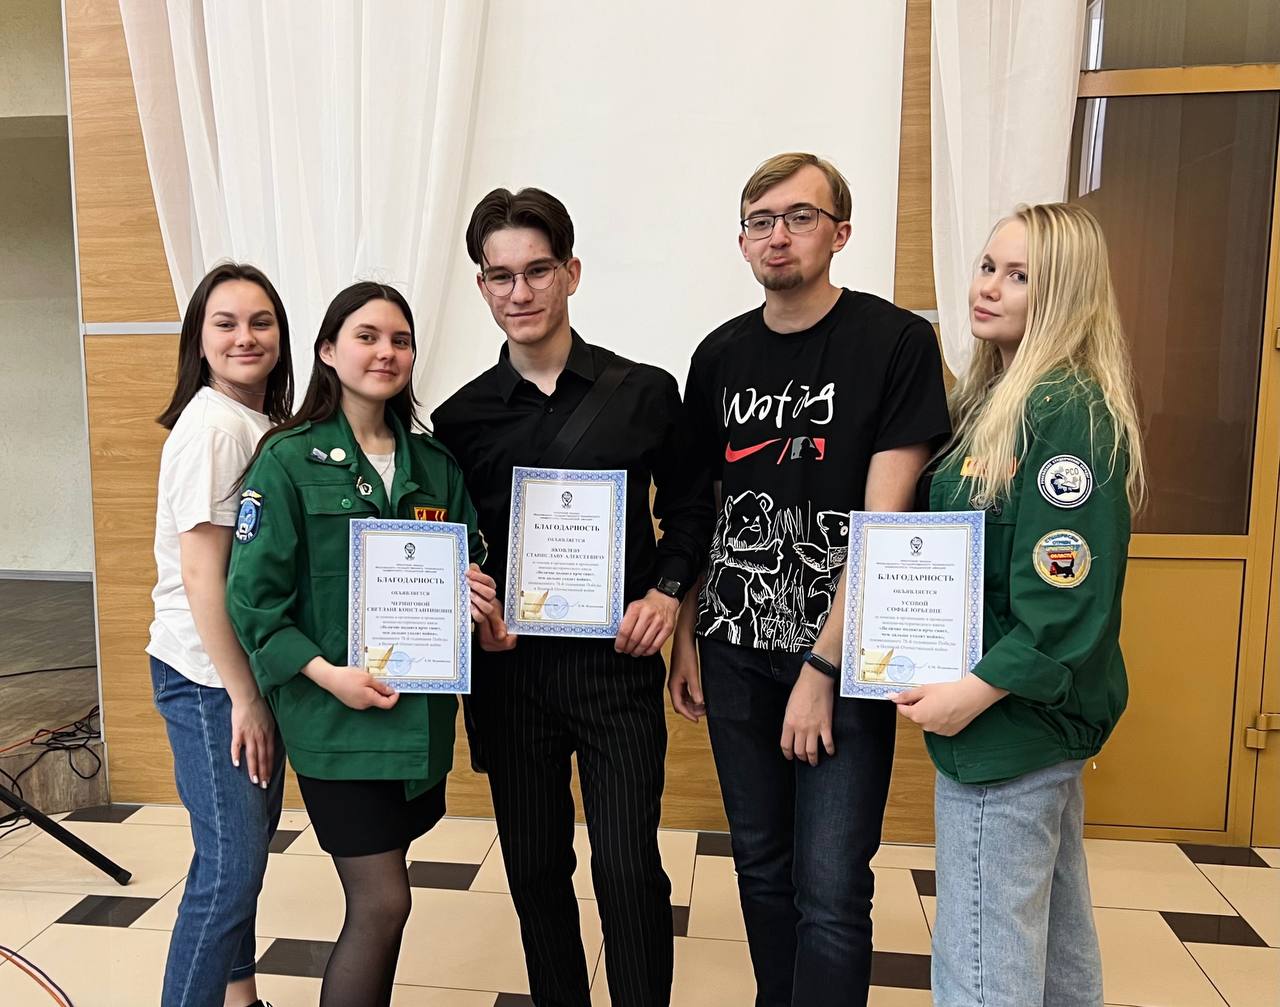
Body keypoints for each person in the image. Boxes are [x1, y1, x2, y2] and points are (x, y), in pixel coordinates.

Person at [670, 152, 951, 1006]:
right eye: (760, 220)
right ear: (742, 240)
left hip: (842, 657)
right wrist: (685, 637)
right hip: (732, 647)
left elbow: (883, 527)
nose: (778, 235)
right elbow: (700, 508)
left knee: (830, 886)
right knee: (760, 864)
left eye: (799, 217)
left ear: (841, 232)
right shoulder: (719, 354)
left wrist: (821, 669)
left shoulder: (894, 343)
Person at [431, 186, 714, 1007]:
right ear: (482, 286)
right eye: (500, 276)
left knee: (627, 868)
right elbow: (454, 544)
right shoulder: (459, 419)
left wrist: (666, 593)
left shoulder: (644, 392)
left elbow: (692, 507)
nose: (519, 292)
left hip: (616, 667)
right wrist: (472, 602)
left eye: (538, 270)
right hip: (510, 674)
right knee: (534, 868)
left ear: (571, 273)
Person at [893, 202, 1145, 1006]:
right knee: (1057, 954)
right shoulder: (994, 400)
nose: (989, 287)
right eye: (987, 267)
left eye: (1020, 276)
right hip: (1022, 727)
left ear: (1063, 293)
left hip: (1008, 728)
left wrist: (968, 695)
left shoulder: (1061, 410)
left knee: (981, 964)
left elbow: (1064, 596)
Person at [226, 282, 497, 1007]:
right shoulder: (287, 460)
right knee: (382, 902)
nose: (386, 352)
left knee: (385, 902)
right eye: (367, 336)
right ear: (327, 351)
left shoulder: (434, 464)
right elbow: (254, 601)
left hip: (416, 723)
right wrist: (327, 674)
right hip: (334, 721)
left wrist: (478, 598)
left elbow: (470, 558)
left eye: (400, 340)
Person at [147, 262, 293, 1007]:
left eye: (261, 322)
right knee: (230, 868)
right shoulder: (212, 429)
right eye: (225, 323)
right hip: (210, 679)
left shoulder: (258, 424)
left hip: (239, 674)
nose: (245, 337)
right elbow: (205, 577)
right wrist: (245, 697)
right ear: (198, 340)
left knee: (240, 857)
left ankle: (241, 999)